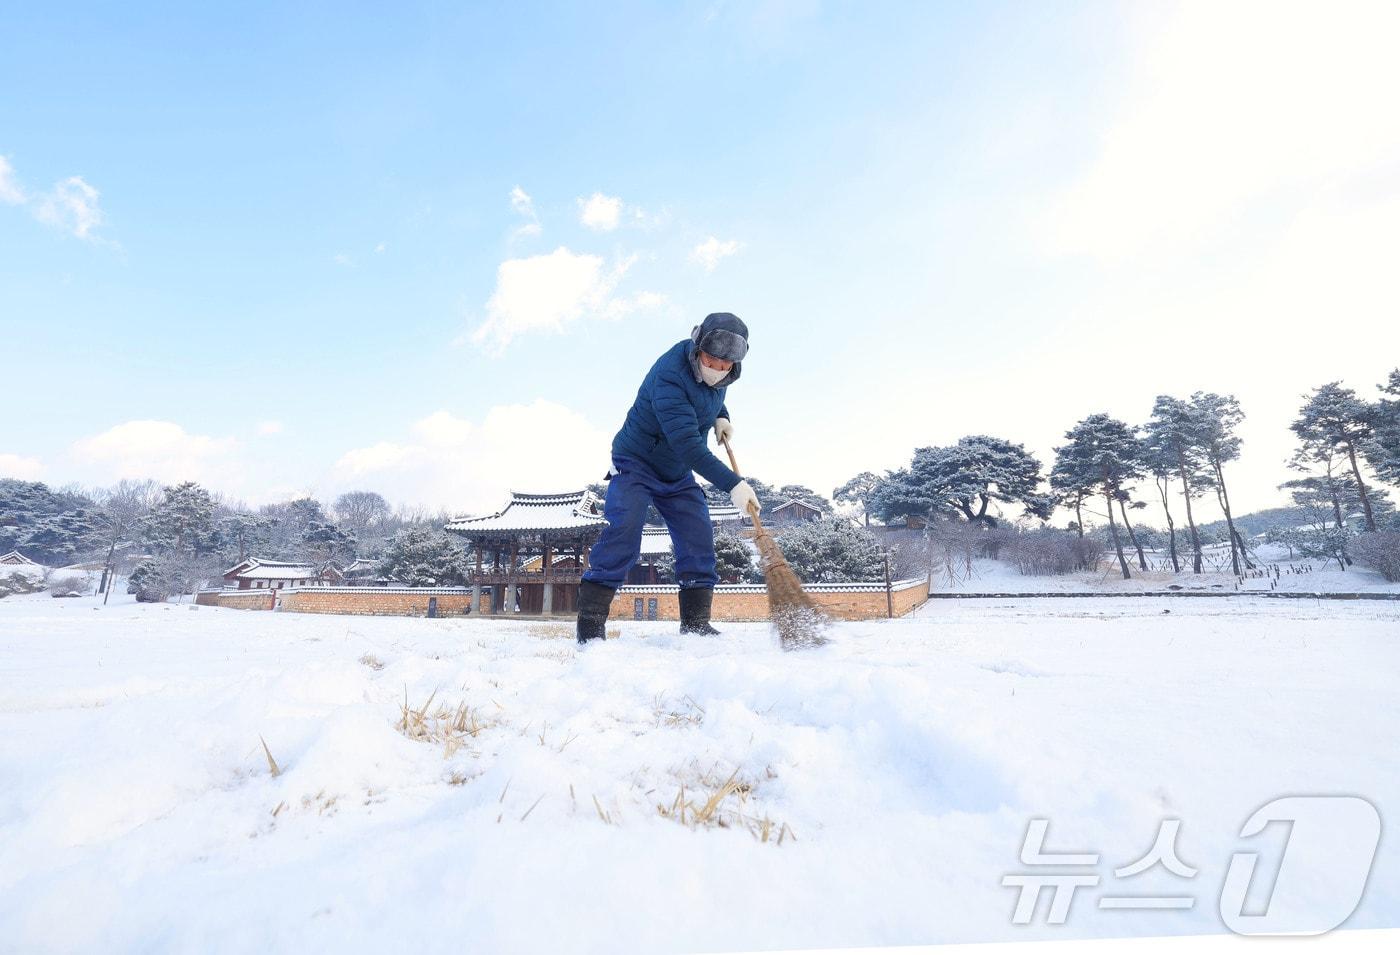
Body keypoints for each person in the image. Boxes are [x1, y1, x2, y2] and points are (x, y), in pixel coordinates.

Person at [576, 312, 761, 644]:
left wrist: (721, 416)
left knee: (698, 535)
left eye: (726, 365)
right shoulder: (669, 375)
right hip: (637, 461)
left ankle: (696, 624)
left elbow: (712, 397)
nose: (718, 369)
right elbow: (688, 445)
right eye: (712, 360)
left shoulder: (724, 375)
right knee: (624, 532)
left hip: (676, 470)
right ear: (698, 347)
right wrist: (733, 483)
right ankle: (590, 628)